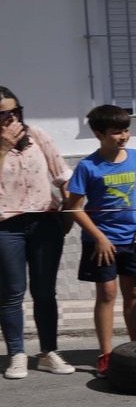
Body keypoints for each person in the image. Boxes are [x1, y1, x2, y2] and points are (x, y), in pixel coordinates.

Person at [64, 105, 136, 377]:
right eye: (116, 132)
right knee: (107, 294)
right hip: (101, 241)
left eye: (126, 130)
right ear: (98, 134)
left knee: (133, 292)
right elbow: (74, 207)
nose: (123, 136)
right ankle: (105, 354)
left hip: (132, 238)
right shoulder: (87, 166)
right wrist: (99, 238)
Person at [0, 87, 74, 379]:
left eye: (16, 111)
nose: (13, 118)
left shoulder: (37, 135)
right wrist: (3, 147)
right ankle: (17, 354)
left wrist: (69, 210)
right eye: (4, 114)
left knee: (45, 292)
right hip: (7, 225)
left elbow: (62, 174)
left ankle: (48, 352)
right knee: (11, 292)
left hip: (45, 220)